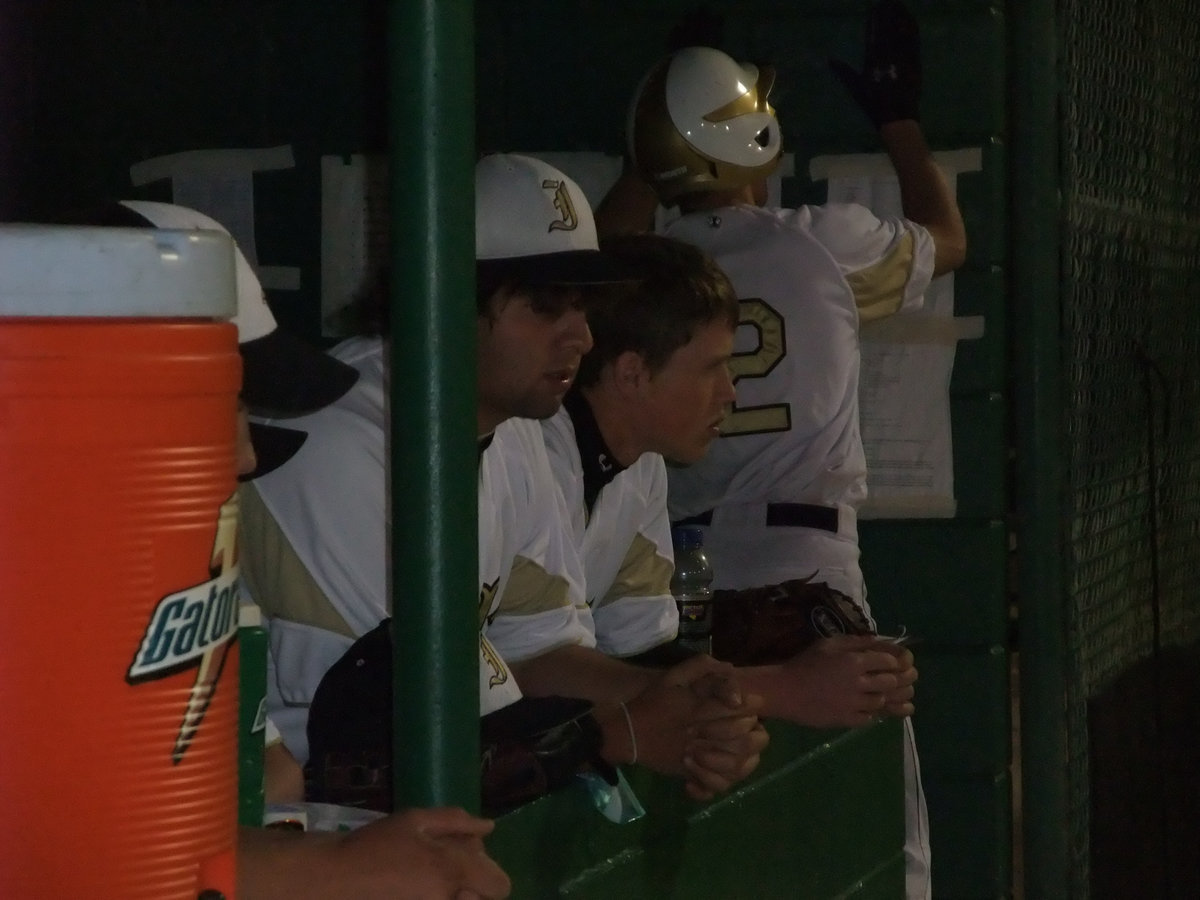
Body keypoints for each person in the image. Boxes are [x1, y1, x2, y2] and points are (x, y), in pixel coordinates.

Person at [240, 154, 765, 808]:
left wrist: (686, 700)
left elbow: (537, 651)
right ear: (444, 300)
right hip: (279, 827)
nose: (581, 336)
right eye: (547, 307)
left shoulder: (515, 432)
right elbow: (389, 733)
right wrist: (619, 730)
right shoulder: (345, 444)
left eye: (584, 306)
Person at [594, 4, 967, 897]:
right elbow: (948, 238)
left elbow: (602, 240)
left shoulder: (644, 265)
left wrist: (662, 134)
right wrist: (900, 123)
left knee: (717, 842)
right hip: (808, 564)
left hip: (677, 587)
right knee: (883, 842)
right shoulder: (821, 243)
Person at [81, 199, 511, 900]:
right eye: (222, 399)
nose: (249, 458)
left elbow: (270, 775)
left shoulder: (164, 567)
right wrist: (327, 870)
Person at [540, 231, 917, 729]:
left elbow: (637, 652)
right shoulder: (538, 453)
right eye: (712, 369)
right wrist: (774, 688)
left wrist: (824, 674)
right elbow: (528, 665)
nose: (730, 393)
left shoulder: (643, 466)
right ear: (633, 375)